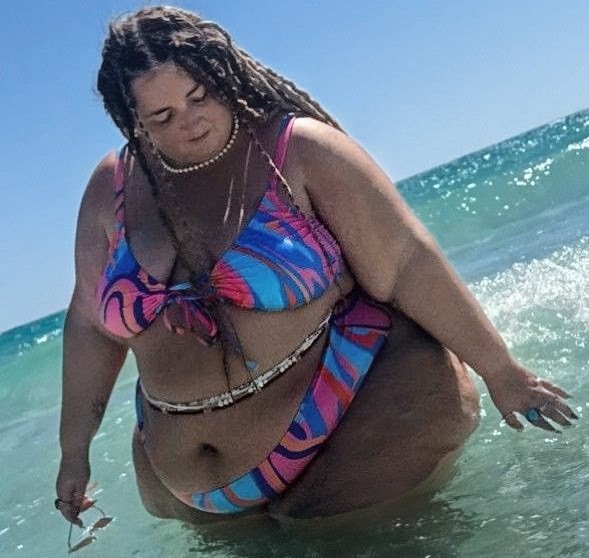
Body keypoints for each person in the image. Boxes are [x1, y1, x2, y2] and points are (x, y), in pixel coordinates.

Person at [55, 6, 577, 526]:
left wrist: (502, 372)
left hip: (347, 430)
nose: (191, 121)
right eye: (162, 116)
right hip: (197, 496)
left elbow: (405, 264)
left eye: (200, 96)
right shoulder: (112, 187)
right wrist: (73, 453)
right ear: (131, 118)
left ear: (223, 75)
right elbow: (90, 325)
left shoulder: (296, 150)